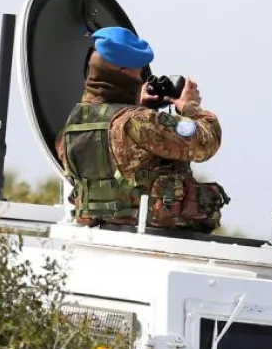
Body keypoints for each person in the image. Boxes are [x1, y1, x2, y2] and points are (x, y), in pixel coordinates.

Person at [54, 25, 230, 233]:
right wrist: (190, 107)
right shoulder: (139, 122)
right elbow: (205, 143)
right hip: (155, 232)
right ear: (124, 71)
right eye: (139, 71)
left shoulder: (72, 127)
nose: (140, 79)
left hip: (100, 230)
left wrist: (139, 106)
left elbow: (116, 148)